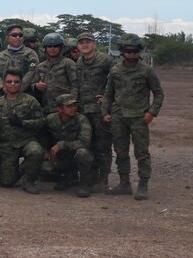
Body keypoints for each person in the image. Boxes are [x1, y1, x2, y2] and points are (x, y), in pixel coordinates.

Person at [102, 34, 164, 200]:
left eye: (135, 51)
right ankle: (124, 183)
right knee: (120, 151)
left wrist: (152, 112)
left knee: (141, 152)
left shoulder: (146, 71)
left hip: (139, 117)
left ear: (139, 51)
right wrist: (105, 112)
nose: (131, 54)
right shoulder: (115, 70)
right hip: (118, 116)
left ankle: (143, 185)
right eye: (128, 51)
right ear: (122, 51)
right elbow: (108, 93)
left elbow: (158, 93)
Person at [0, 71, 45, 193]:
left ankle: (29, 181)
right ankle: (22, 169)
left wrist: (23, 122)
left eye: (16, 81)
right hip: (7, 144)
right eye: (9, 82)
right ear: (4, 84)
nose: (13, 84)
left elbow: (40, 123)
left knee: (36, 151)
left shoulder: (30, 101)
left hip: (26, 140)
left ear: (21, 83)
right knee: (6, 182)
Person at [76, 31, 116, 190]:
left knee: (103, 144)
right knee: (88, 143)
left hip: (100, 110)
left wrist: (107, 98)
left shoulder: (106, 60)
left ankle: (103, 178)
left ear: (94, 44)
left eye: (88, 42)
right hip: (84, 110)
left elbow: (115, 81)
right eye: (81, 42)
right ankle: (91, 175)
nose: (84, 45)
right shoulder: (79, 61)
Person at [42, 94, 93, 198]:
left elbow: (84, 142)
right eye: (69, 106)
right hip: (61, 156)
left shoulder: (81, 119)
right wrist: (45, 150)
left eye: (75, 105)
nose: (73, 108)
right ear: (60, 109)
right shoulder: (51, 119)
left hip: (76, 155)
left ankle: (84, 184)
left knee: (82, 153)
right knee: (43, 167)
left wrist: (62, 145)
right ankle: (67, 177)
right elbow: (42, 135)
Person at [25, 33, 80, 113]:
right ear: (45, 48)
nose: (52, 49)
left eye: (55, 46)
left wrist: (72, 105)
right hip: (46, 108)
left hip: (65, 108)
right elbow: (33, 84)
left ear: (61, 47)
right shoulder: (40, 66)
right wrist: (37, 86)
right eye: (49, 46)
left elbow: (75, 86)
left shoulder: (68, 63)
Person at [0, 25, 39, 92]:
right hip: (5, 94)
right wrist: (2, 87)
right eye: (14, 35)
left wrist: (18, 88)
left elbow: (31, 72)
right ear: (7, 38)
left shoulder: (30, 53)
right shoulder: (1, 55)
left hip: (25, 95)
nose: (18, 37)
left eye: (20, 35)